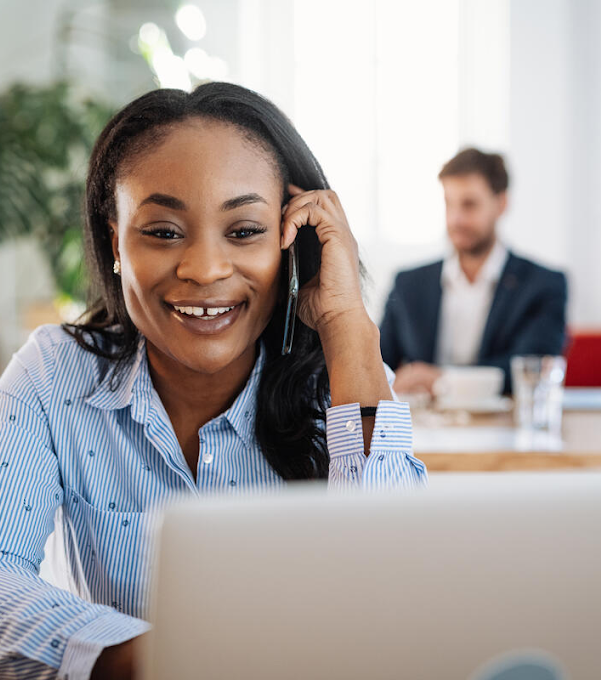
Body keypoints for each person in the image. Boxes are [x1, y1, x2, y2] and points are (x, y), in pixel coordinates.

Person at [0, 82, 426, 679]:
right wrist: (153, 657)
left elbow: (398, 593)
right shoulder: (53, 374)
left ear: (293, 243)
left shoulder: (348, 378)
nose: (204, 270)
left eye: (246, 231)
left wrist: (348, 322)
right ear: (114, 240)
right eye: (164, 232)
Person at [379, 148, 567, 395]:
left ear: (501, 204)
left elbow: (532, 369)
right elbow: (378, 365)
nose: (456, 219)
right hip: (423, 429)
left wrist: (440, 380)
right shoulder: (408, 283)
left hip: (505, 428)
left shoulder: (543, 285)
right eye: (449, 203)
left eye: (469, 205)